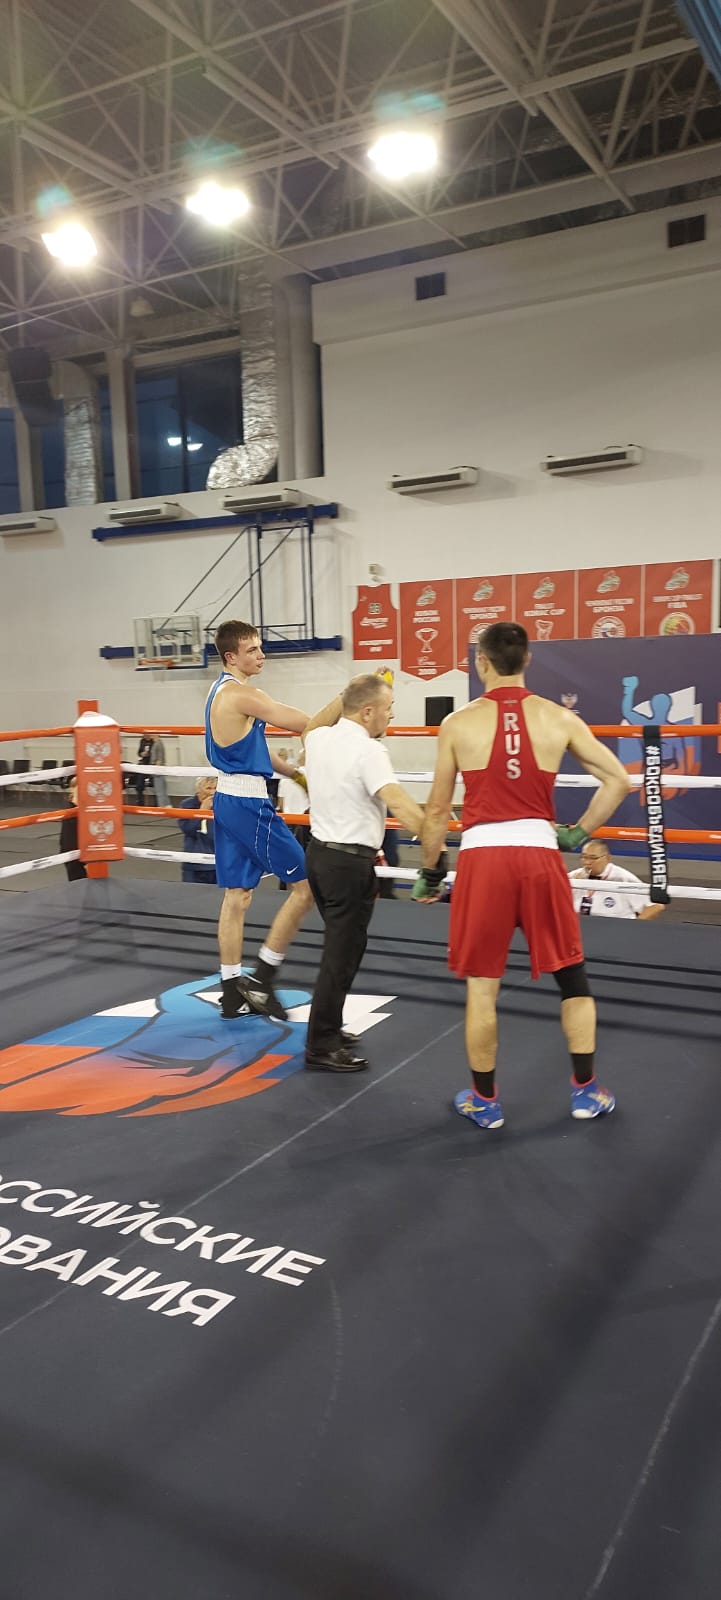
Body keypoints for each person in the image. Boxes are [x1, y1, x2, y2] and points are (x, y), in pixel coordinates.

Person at [419, 621, 630, 1130]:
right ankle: (587, 1092)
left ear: (481, 662)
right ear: (528, 660)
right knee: (572, 976)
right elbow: (618, 780)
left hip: (483, 861)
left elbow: (437, 811)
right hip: (539, 856)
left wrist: (430, 871)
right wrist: (577, 834)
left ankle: (485, 1102)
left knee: (482, 986)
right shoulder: (558, 717)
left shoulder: (458, 724)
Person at [206, 618, 341, 1023]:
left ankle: (231, 992)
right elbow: (305, 724)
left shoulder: (219, 691)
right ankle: (263, 977)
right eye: (252, 649)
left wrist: (292, 773)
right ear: (231, 656)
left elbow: (254, 746)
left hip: (228, 797)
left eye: (260, 647)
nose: (261, 655)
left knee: (237, 896)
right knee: (305, 887)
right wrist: (348, 700)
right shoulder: (244, 695)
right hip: (248, 804)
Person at [302, 674, 428, 1073]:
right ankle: (321, 1043)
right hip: (348, 865)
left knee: (347, 949)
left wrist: (347, 693)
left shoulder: (318, 739)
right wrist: (435, 846)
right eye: (388, 708)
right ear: (368, 711)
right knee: (340, 955)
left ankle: (329, 1027)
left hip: (320, 857)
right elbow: (399, 803)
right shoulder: (369, 750)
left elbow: (312, 724)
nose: (392, 715)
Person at [569, 840, 665, 921]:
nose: (587, 862)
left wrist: (632, 928)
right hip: (581, 928)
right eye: (584, 857)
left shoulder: (623, 878)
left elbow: (655, 907)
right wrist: (570, 887)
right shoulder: (574, 877)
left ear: (607, 858)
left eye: (593, 858)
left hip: (615, 930)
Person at [177, 776, 217, 885]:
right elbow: (188, 829)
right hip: (194, 864)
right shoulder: (187, 805)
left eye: (215, 788)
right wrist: (202, 811)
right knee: (191, 894)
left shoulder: (223, 806)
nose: (212, 792)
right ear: (199, 789)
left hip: (218, 863)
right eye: (208, 788)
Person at [59, 779, 87, 883]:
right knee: (77, 877)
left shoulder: (88, 808)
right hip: (72, 850)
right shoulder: (71, 812)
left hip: (83, 848)